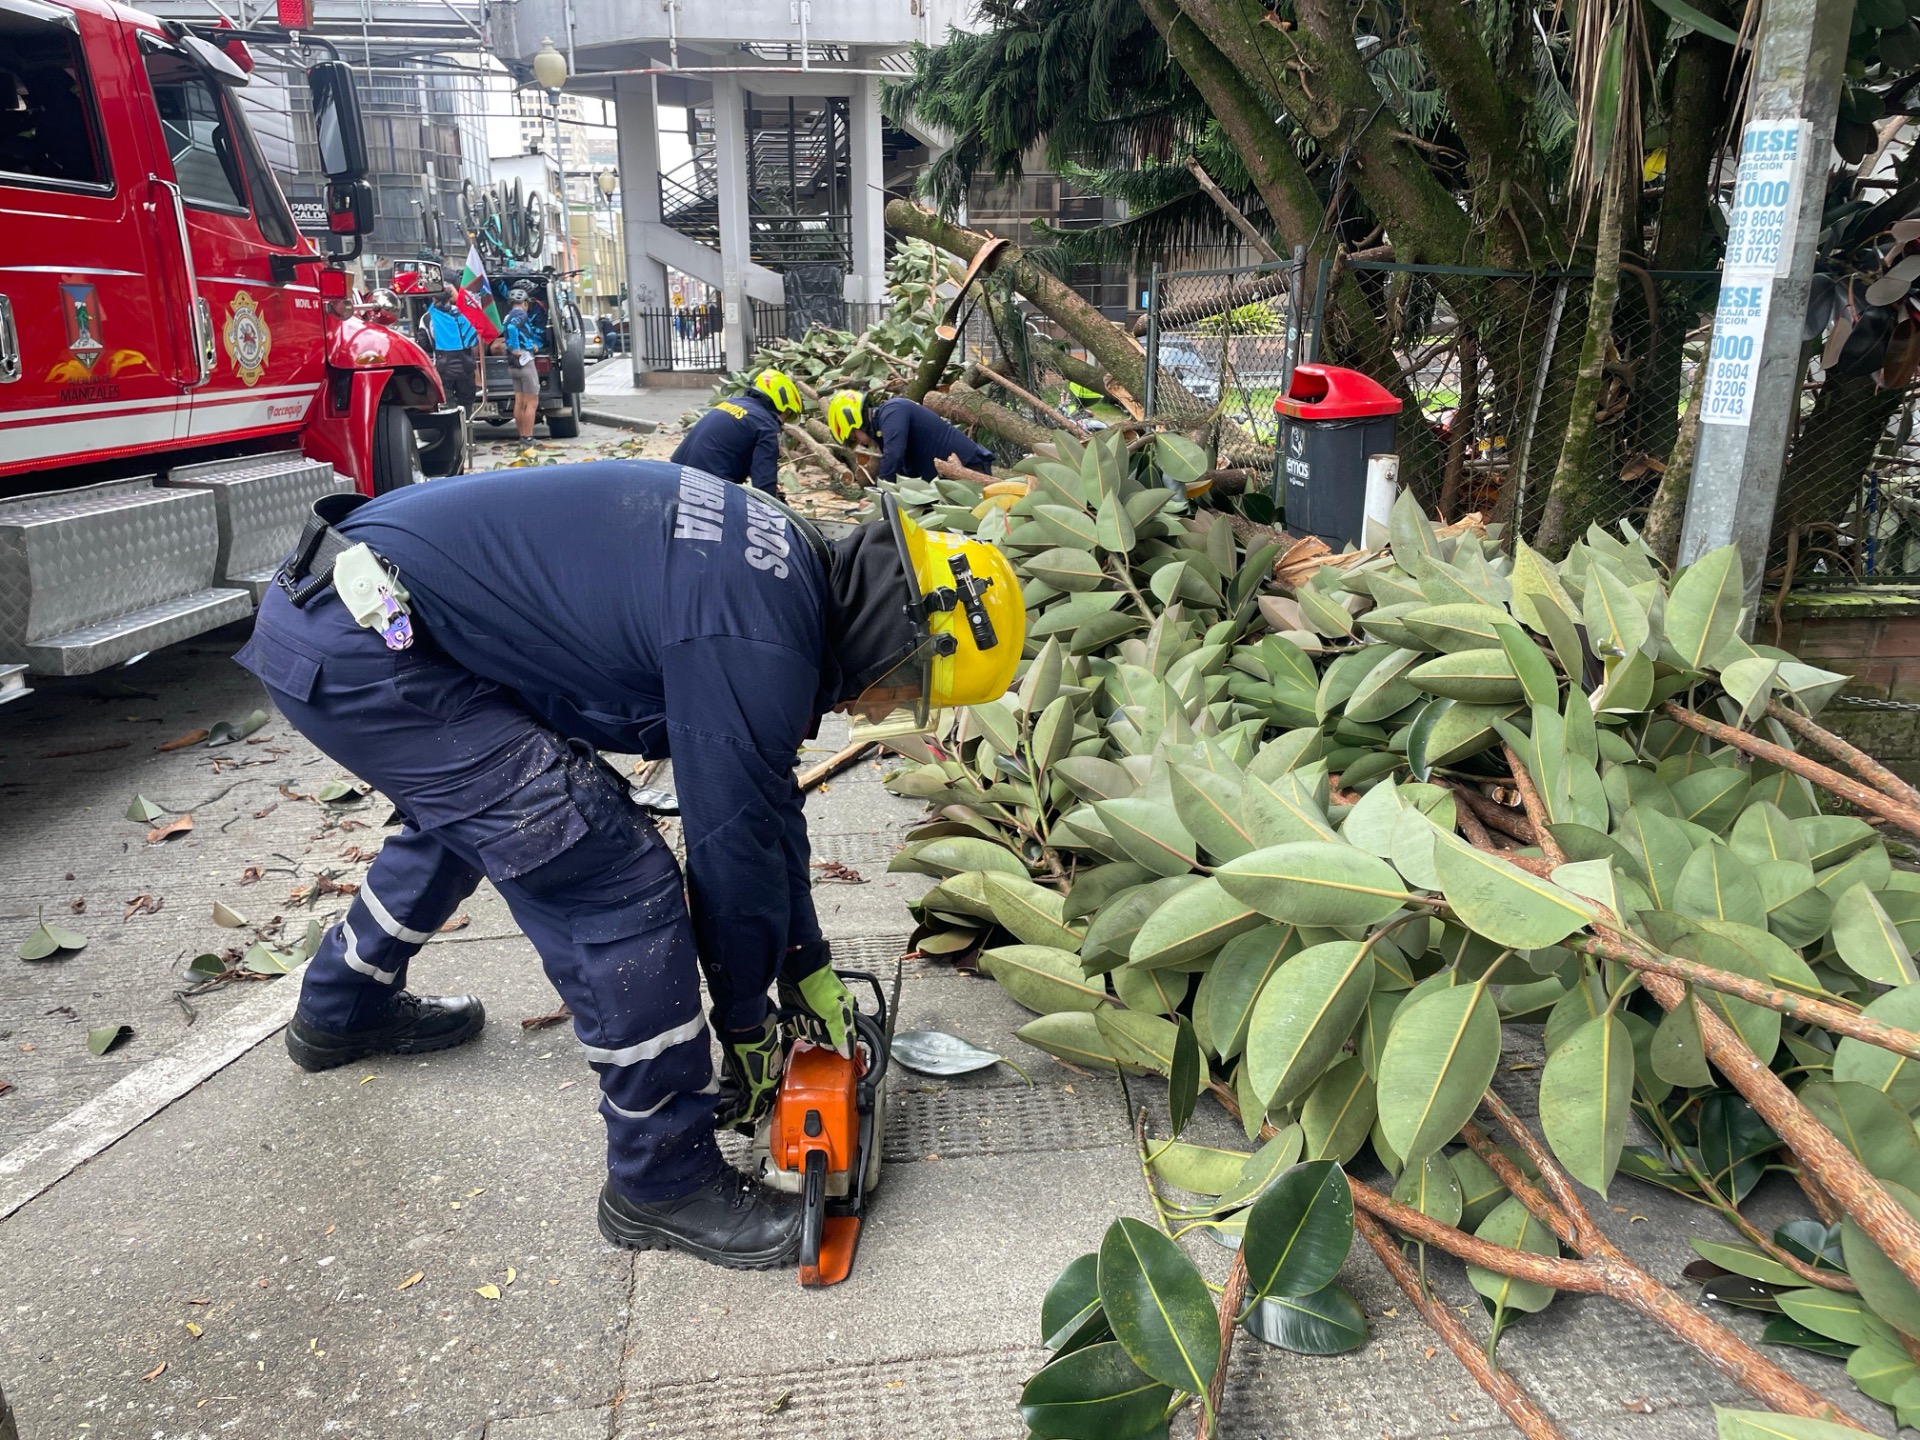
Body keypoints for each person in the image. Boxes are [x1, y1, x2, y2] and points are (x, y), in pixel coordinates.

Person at [234, 463, 1023, 1267]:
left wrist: (806, 962)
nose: (880, 706)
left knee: (482, 809)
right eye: (906, 688)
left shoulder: (787, 565)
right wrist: (745, 1022)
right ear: (901, 636)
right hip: (367, 642)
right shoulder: (756, 642)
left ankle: (343, 1006)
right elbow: (730, 850)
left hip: (353, 604)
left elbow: (761, 801)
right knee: (604, 870)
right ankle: (663, 1182)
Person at [670, 369, 803, 497]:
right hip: (705, 489)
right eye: (788, 414)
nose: (784, 420)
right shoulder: (766, 425)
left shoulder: (730, 403)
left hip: (674, 476)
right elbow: (764, 485)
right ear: (782, 404)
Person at [826, 391, 995, 483]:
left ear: (856, 421)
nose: (860, 443)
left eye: (854, 437)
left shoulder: (893, 410)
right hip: (946, 480)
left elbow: (894, 455)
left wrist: (881, 494)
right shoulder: (885, 430)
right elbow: (904, 474)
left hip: (969, 470)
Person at [424, 285, 483, 418]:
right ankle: (468, 428)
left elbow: (424, 343)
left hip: (443, 367)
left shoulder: (428, 318)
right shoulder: (464, 314)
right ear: (450, 298)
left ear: (433, 298)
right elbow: (473, 341)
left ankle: (455, 429)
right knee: (467, 403)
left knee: (448, 405)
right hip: (466, 366)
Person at [502, 291, 542, 443]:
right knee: (532, 402)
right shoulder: (521, 314)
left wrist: (529, 344)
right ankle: (529, 437)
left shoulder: (507, 316)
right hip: (525, 361)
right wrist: (517, 348)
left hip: (513, 363)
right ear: (525, 302)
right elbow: (513, 329)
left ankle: (522, 436)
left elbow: (513, 332)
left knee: (519, 402)